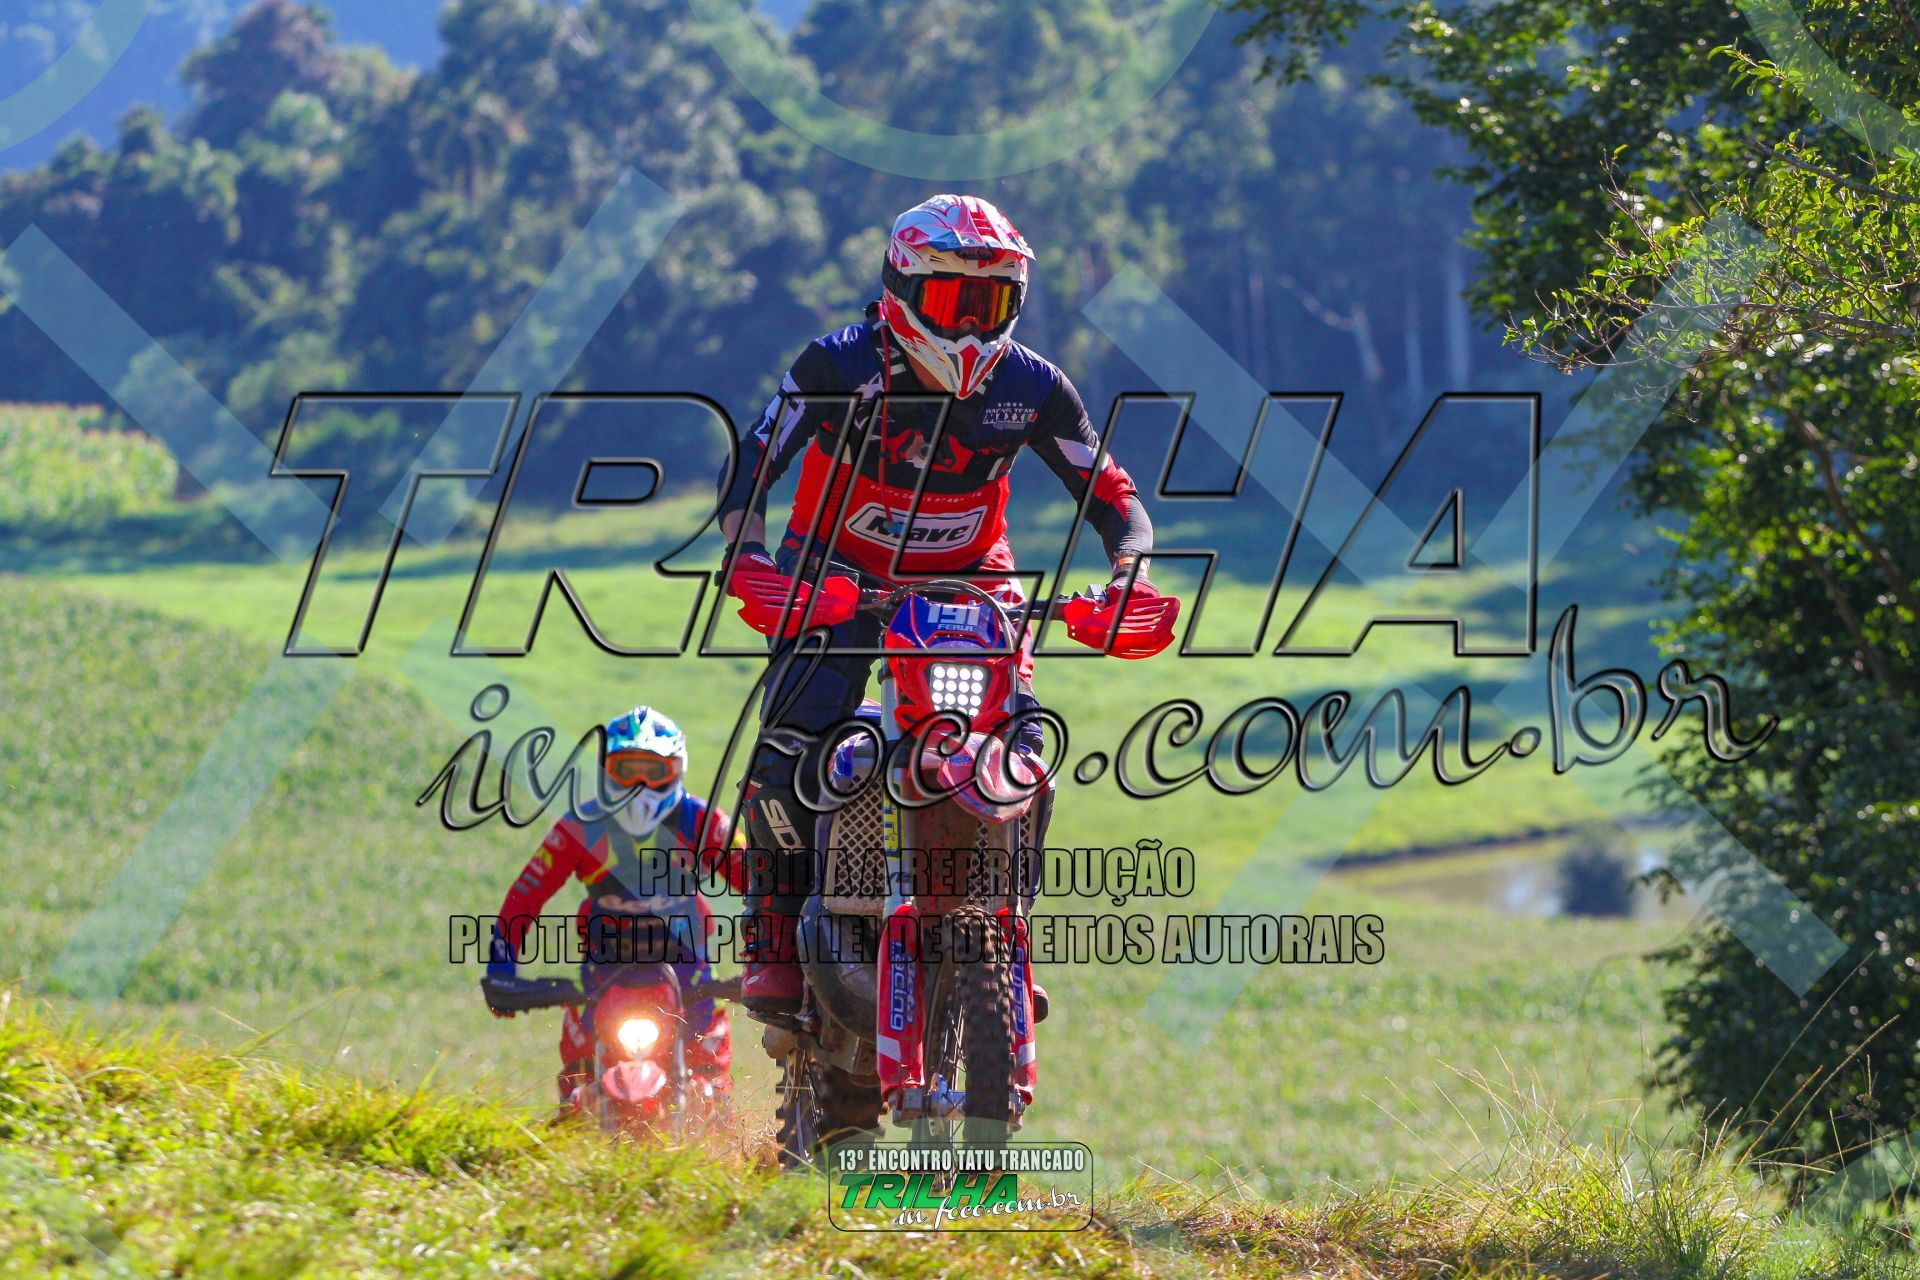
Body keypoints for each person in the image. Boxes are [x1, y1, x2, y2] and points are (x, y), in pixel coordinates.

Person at [715, 194, 1157, 1019]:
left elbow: (1112, 494)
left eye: (991, 303)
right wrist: (749, 560)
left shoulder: (1033, 385)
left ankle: (1006, 928)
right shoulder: (837, 366)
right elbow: (755, 458)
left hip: (974, 578)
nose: (970, 327)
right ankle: (772, 932)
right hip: (836, 569)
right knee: (791, 739)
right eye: (952, 300)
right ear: (901, 289)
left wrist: (1128, 575)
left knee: (1025, 749)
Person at [484, 706, 745, 1103]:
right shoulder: (579, 826)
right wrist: (501, 969)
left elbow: (763, 887)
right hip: (603, 972)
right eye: (626, 771)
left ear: (676, 770)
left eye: (653, 772)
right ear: (607, 772)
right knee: (579, 1084)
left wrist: (774, 962)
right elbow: (525, 896)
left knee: (710, 1089)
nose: (639, 786)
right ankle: (576, 1125)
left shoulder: (704, 822)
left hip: (688, 972)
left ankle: (719, 1122)